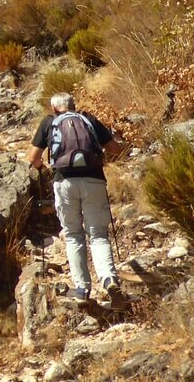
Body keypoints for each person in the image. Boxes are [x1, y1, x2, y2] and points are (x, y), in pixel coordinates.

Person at [27, 92, 123, 305]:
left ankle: (82, 290)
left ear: (54, 109)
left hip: (65, 182)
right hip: (95, 180)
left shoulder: (49, 123)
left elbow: (33, 158)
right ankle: (109, 279)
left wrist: (45, 169)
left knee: (73, 235)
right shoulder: (88, 119)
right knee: (98, 234)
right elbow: (115, 149)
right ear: (74, 106)